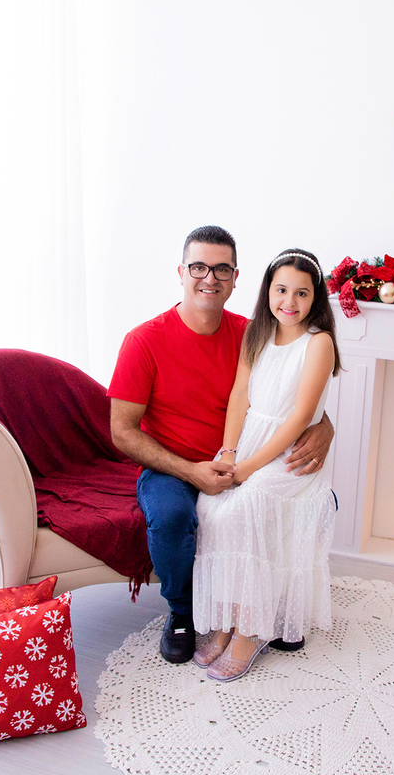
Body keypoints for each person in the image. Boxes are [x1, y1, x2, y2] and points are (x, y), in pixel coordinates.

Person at [108, 227, 333, 664]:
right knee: (173, 516)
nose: (209, 278)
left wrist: (326, 427)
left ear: (235, 278)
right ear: (181, 272)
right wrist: (190, 471)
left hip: (244, 457)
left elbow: (291, 394)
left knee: (268, 502)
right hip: (174, 465)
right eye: (198, 267)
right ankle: (182, 613)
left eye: (221, 269)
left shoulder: (255, 333)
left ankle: (268, 612)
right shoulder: (144, 341)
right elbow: (122, 431)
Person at [190, 249, 341, 682]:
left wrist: (249, 468)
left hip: (288, 456)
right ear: (268, 291)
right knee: (211, 507)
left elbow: (300, 417)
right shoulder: (257, 333)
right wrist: (229, 454)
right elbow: (240, 396)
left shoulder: (319, 343)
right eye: (281, 290)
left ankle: (250, 631)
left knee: (244, 506)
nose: (289, 301)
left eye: (301, 293)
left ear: (315, 298)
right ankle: (226, 621)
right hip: (248, 445)